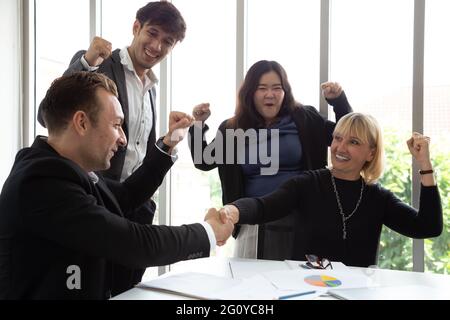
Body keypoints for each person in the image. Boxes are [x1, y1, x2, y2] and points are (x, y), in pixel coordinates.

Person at [0, 72, 233, 299]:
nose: (122, 139)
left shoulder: (66, 170)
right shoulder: (41, 183)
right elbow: (134, 243)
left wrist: (167, 144)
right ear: (81, 122)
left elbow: (126, 195)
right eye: (117, 125)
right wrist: (208, 232)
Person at [37, 1, 188, 292]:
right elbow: (47, 115)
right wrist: (86, 63)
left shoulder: (152, 88)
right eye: (152, 33)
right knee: (94, 287)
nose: (157, 46)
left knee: (129, 290)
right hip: (98, 201)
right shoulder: (102, 64)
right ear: (136, 28)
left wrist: (169, 140)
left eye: (167, 42)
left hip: (136, 205)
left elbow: (136, 150)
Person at [215, 113, 443, 267]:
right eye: (337, 138)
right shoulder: (306, 184)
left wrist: (424, 164)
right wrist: (233, 211)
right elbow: (263, 206)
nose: (340, 148)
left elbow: (428, 226)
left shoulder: (378, 197)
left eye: (353, 142)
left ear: (371, 153)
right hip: (305, 291)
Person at [189, 60, 352, 260]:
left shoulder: (304, 118)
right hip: (252, 222)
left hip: (301, 220)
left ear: (285, 92)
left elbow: (347, 136)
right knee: (251, 285)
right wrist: (198, 124)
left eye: (277, 88)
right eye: (262, 88)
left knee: (297, 283)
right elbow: (203, 161)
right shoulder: (233, 129)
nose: (270, 94)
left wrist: (338, 101)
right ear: (250, 93)